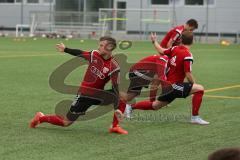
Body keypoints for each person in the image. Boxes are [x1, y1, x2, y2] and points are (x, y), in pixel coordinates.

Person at [29, 36, 128, 134]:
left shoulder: (114, 66)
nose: (99, 47)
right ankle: (41, 118)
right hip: (84, 95)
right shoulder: (94, 55)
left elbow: (115, 85)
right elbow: (80, 53)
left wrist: (118, 104)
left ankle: (115, 126)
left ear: (109, 47)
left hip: (98, 94)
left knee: (122, 96)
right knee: (66, 122)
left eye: (101, 45)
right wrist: (65, 49)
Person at [125, 31, 209, 125]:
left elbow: (161, 50)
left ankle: (130, 107)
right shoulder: (188, 55)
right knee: (199, 89)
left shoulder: (174, 48)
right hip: (173, 85)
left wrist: (154, 42)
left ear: (180, 40)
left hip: (169, 87)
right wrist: (193, 84)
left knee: (155, 105)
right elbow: (188, 73)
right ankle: (195, 118)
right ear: (193, 41)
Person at [111, 54, 169, 127]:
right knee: (128, 96)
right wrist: (153, 101)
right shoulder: (164, 60)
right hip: (138, 73)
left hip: (140, 73)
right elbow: (158, 81)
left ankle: (125, 106)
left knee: (132, 94)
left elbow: (156, 82)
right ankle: (114, 94)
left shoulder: (165, 60)